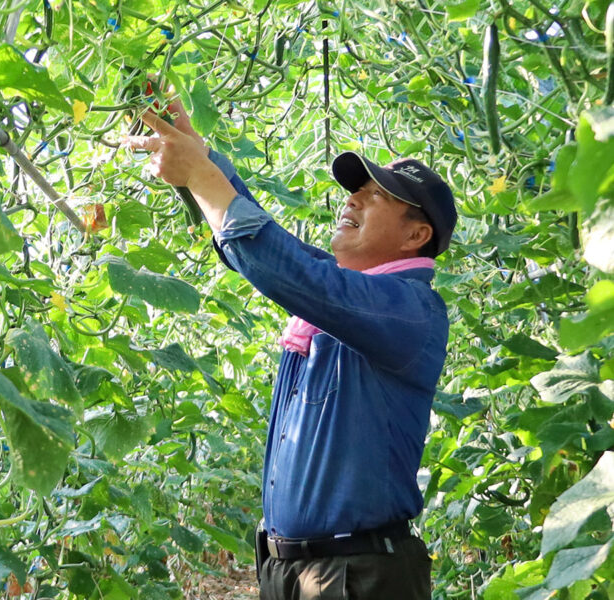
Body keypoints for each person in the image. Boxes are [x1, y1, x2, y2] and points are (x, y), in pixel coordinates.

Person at [123, 101, 456, 600]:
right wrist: (204, 161)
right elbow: (285, 257)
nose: (352, 201)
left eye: (374, 196)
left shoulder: (410, 310)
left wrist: (202, 176)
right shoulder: (345, 296)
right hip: (291, 573)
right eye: (355, 191)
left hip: (357, 579)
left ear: (416, 234)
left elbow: (293, 272)